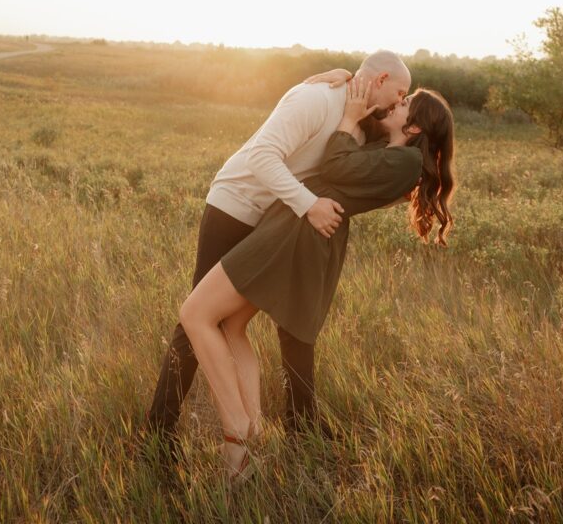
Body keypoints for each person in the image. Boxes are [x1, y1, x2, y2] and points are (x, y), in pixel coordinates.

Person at [179, 77, 456, 479]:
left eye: (405, 103)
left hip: (292, 237)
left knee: (195, 315)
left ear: (413, 128)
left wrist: (345, 118)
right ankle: (251, 434)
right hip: (291, 228)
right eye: (401, 95)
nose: (397, 104)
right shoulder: (391, 152)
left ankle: (236, 429)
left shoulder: (405, 163)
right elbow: (357, 131)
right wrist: (323, 79)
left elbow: (336, 163)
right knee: (232, 325)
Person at [144, 51, 411, 449]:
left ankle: (299, 425)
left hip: (274, 220)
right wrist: (309, 205)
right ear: (381, 77)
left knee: (281, 322)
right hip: (234, 205)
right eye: (401, 92)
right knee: (198, 321)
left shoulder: (360, 123)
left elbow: (385, 153)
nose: (400, 101)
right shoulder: (315, 100)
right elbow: (261, 156)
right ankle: (158, 434)